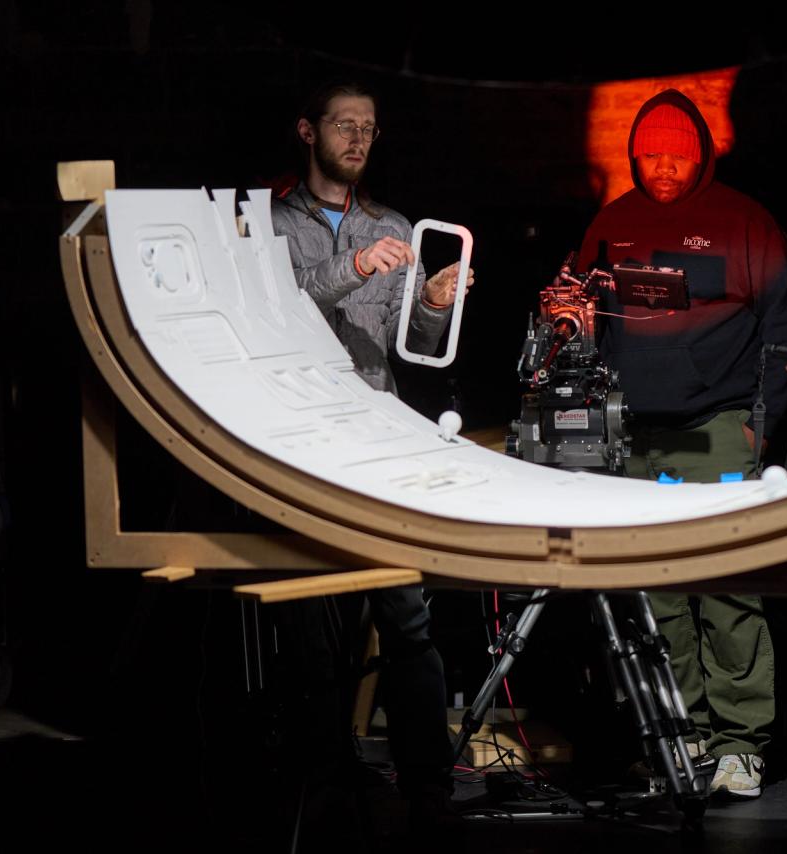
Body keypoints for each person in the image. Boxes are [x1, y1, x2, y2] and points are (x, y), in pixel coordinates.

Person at [578, 89, 787, 799]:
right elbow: (578, 310)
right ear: (634, 154)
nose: (664, 167)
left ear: (702, 151)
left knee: (727, 587)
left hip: (718, 431)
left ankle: (741, 745)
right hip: (636, 439)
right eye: (651, 155)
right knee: (657, 597)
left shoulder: (746, 221)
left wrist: (757, 429)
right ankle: (685, 739)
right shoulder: (613, 222)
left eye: (677, 153)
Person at [269, 81, 471, 825]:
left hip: (374, 440)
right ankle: (321, 777)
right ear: (307, 129)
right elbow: (273, 312)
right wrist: (349, 271)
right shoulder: (266, 224)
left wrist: (434, 302)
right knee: (308, 624)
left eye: (369, 129)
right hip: (298, 441)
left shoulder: (394, 224)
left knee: (406, 616)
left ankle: (428, 786)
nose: (357, 138)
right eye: (343, 125)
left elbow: (412, 349)